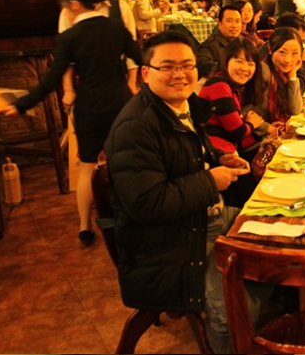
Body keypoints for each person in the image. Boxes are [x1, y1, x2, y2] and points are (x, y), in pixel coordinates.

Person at [104, 31, 270, 354]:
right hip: (168, 246)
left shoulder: (184, 107)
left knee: (279, 242)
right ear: (145, 73)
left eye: (187, 65)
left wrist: (219, 158)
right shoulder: (135, 127)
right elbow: (147, 203)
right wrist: (210, 181)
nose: (179, 74)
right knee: (231, 313)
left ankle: (250, 308)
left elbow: (189, 156)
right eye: (168, 66)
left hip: (203, 221)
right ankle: (237, 325)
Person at [0, 0, 143, 246]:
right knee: (126, 161)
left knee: (88, 167)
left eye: (65, 8)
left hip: (90, 109)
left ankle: (85, 226)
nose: (64, 13)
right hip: (121, 105)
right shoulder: (115, 28)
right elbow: (140, 57)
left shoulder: (69, 37)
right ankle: (133, 218)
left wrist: (22, 104)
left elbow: (52, 77)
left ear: (75, 5)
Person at [200, 38, 273, 205]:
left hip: (226, 150)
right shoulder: (219, 85)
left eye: (250, 63)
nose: (245, 68)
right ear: (226, 61)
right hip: (217, 155)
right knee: (259, 191)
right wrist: (252, 124)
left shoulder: (231, 87)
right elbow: (237, 131)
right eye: (239, 61)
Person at [60, 0, 139, 95]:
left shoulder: (120, 6)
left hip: (118, 81)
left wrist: (132, 82)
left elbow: (132, 48)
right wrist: (68, 89)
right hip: (85, 82)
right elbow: (66, 57)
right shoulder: (69, 10)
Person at [265, 27, 305, 122]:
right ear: (270, 50)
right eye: (282, 52)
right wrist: (267, 128)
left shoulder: (283, 75)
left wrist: (292, 76)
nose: (287, 60)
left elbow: (295, 110)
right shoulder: (264, 72)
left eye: (294, 53)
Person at [197, 5, 242, 78]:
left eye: (237, 21)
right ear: (220, 24)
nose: (234, 25)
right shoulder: (209, 45)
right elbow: (202, 65)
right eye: (229, 21)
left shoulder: (242, 42)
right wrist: (231, 67)